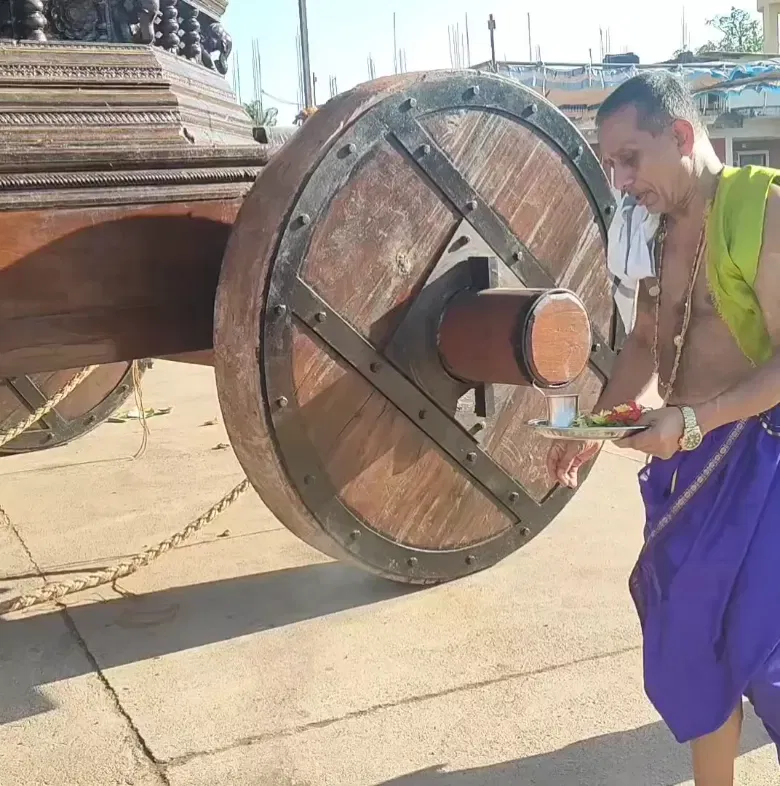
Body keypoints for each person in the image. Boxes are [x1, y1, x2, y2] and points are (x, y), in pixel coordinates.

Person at [546, 70, 780, 785]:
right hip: (687, 474)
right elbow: (648, 342)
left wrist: (693, 421)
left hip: (759, 470)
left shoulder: (762, 209)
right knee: (694, 652)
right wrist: (593, 428)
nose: (621, 181)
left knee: (768, 658)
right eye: (611, 164)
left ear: (680, 135)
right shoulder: (653, 229)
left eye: (630, 158)